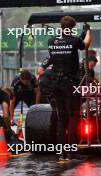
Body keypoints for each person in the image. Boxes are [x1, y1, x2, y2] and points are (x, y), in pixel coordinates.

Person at [37, 16, 91, 160]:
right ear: (72, 27)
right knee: (73, 116)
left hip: (56, 84)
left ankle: (62, 153)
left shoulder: (51, 41)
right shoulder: (74, 41)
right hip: (71, 84)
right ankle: (72, 152)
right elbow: (84, 44)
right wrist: (88, 31)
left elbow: (66, 45)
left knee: (62, 118)